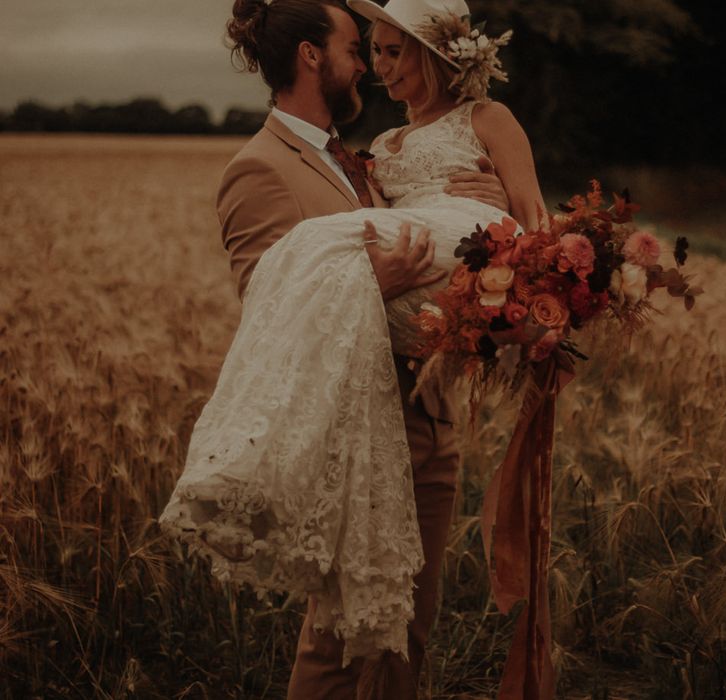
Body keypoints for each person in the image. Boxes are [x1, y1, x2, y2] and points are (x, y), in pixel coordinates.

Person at [159, 0, 547, 696]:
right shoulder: (261, 168)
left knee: (406, 636)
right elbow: (270, 303)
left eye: (384, 52)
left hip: (426, 425)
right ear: (312, 57)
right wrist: (374, 279)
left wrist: (494, 205)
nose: (368, 66)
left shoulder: (371, 157)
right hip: (353, 433)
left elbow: (440, 233)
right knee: (338, 643)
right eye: (354, 49)